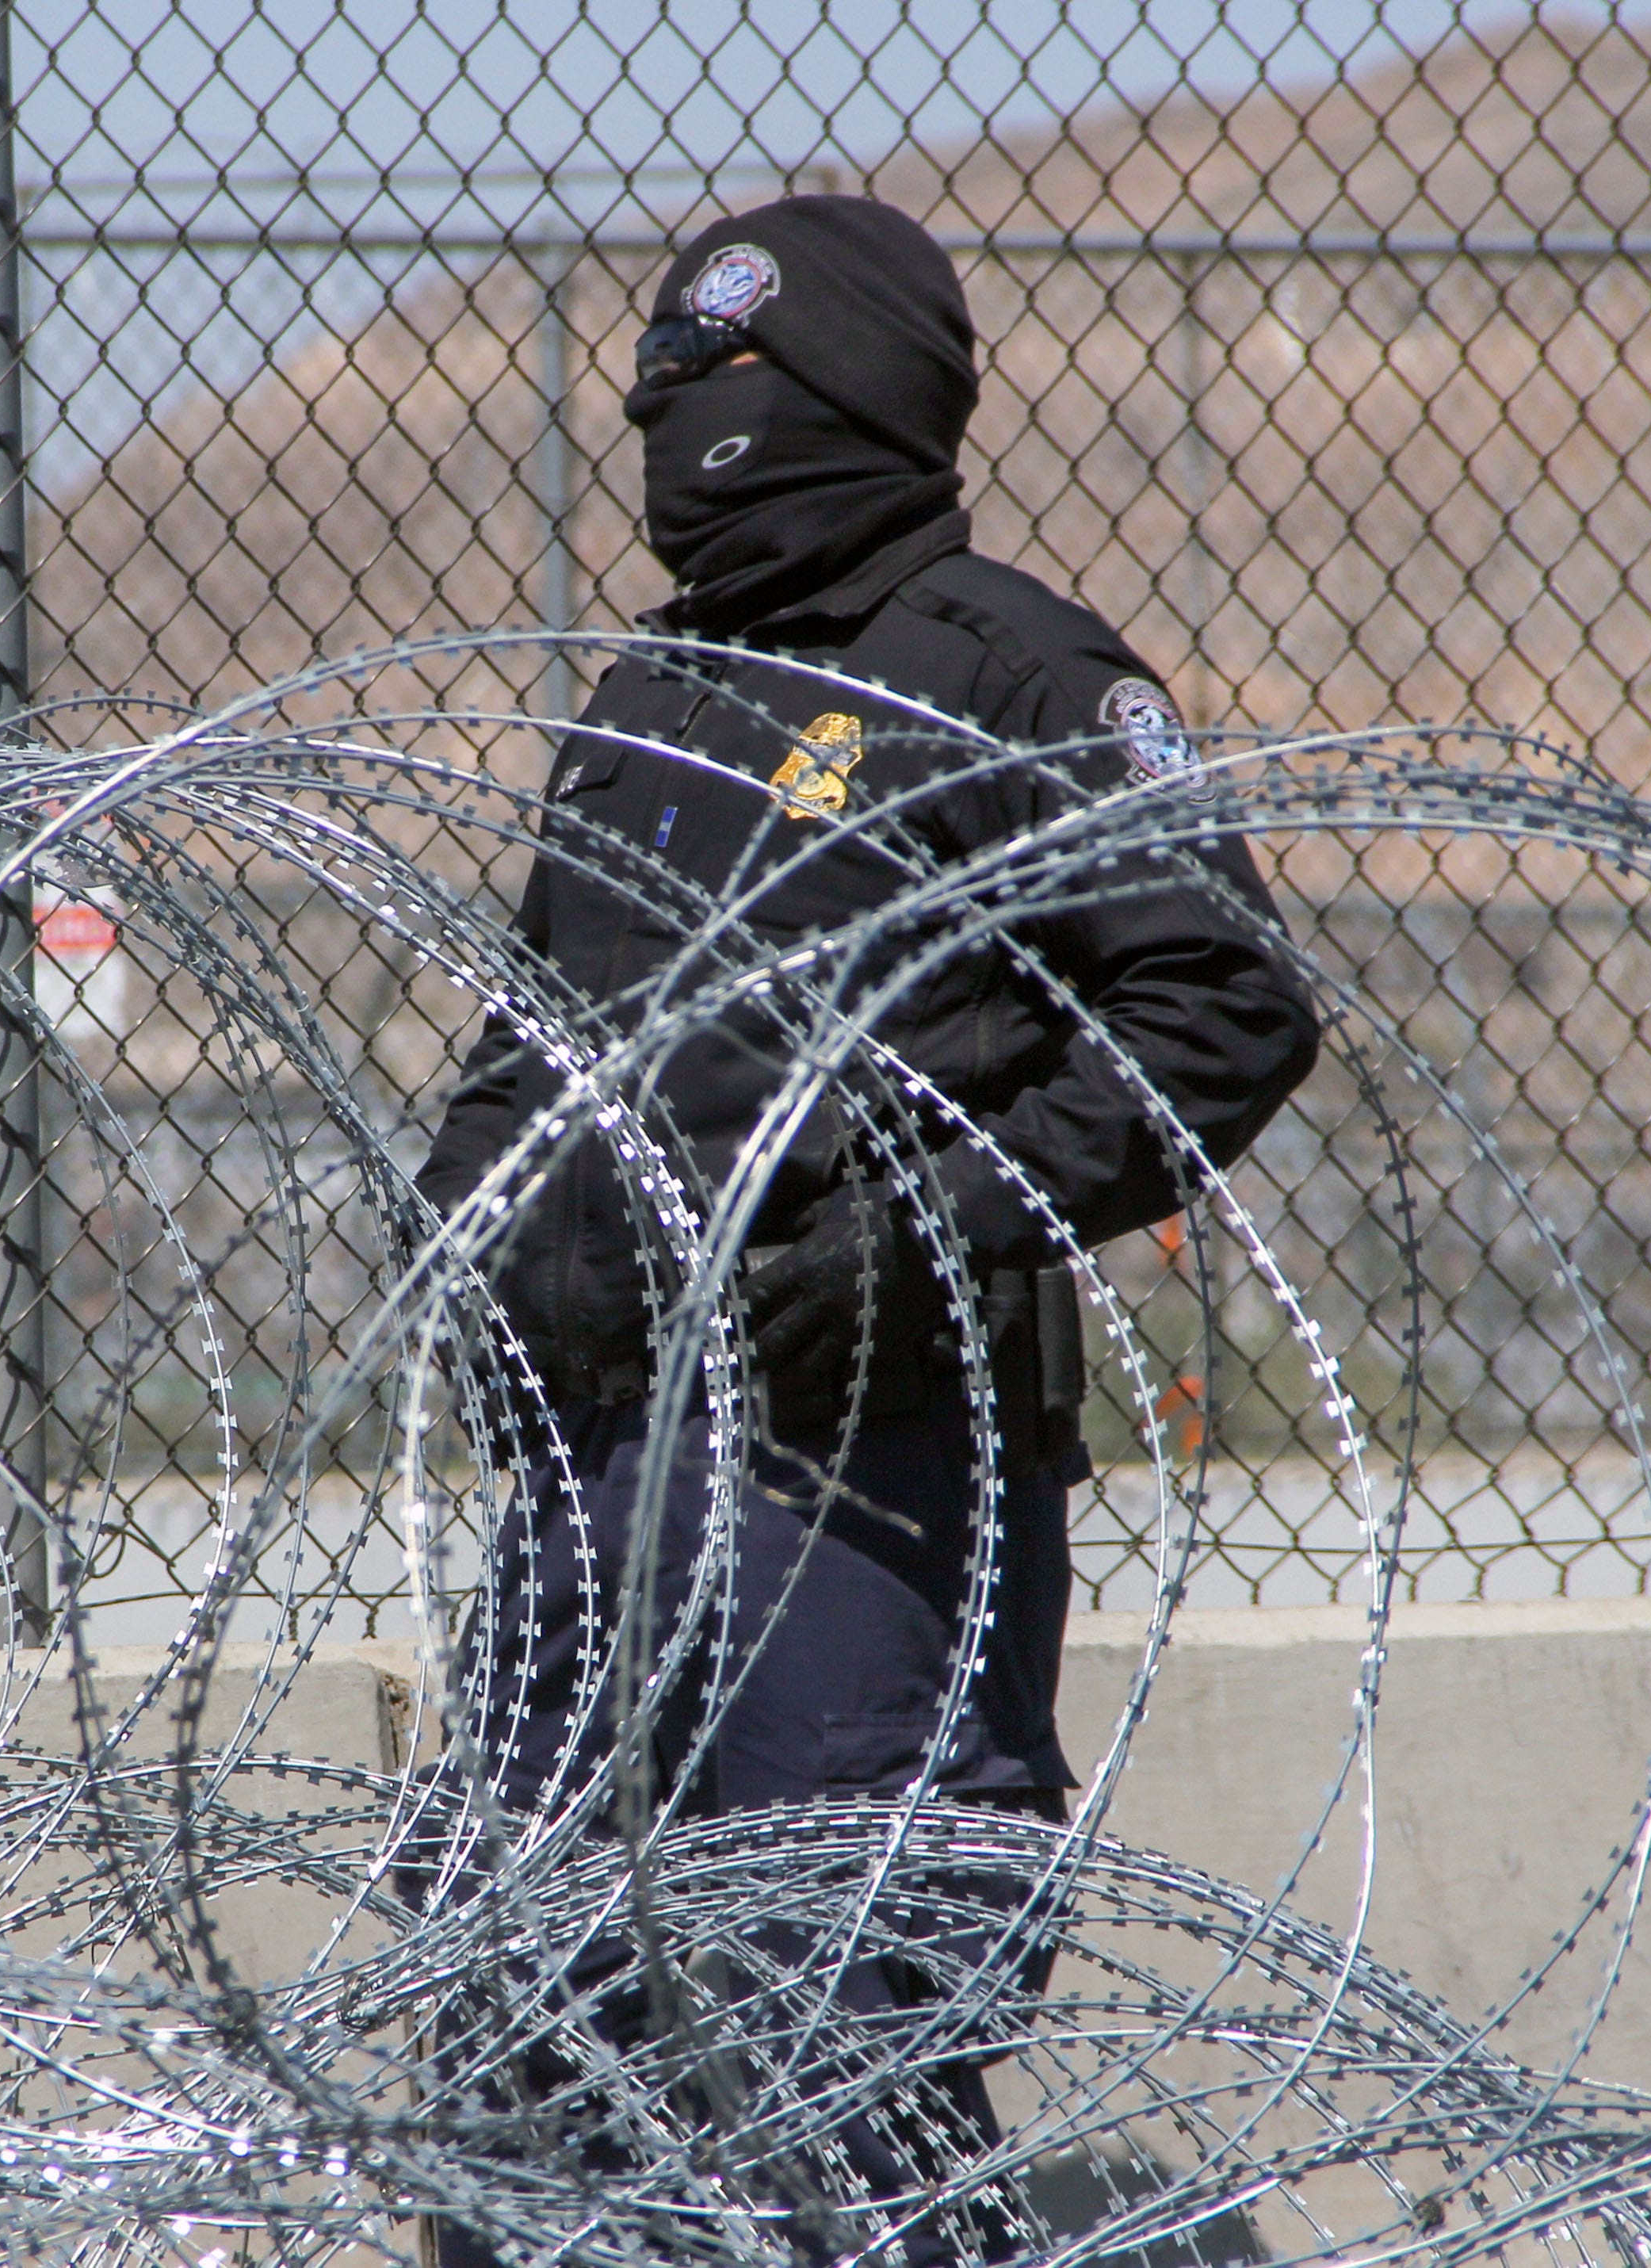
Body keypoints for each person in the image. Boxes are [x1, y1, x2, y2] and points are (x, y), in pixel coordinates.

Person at [411, 195, 1322, 2266]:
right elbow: (528, 1029)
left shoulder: (1006, 672)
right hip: (605, 1449)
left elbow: (1219, 997)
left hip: (872, 1455)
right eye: (669, 386)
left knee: (841, 2016)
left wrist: (928, 1216)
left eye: (745, 383)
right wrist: (482, 1220)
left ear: (865, 401)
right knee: (522, 2014)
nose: (692, 429)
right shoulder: (651, 694)